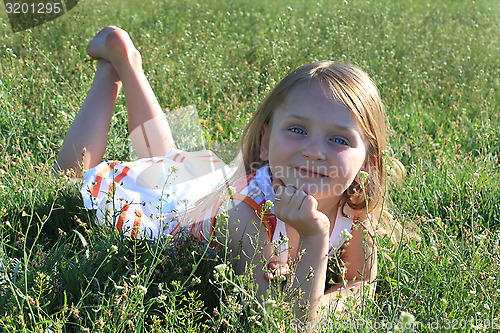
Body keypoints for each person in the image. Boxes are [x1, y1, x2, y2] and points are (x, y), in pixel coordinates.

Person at [55, 26, 399, 323]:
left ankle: (128, 64)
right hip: (174, 218)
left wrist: (321, 304)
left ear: (367, 162)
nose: (314, 150)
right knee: (77, 179)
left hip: (205, 189)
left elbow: (362, 284)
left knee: (167, 162)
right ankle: (108, 75)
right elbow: (282, 321)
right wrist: (314, 236)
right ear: (264, 142)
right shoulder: (246, 214)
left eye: (338, 139)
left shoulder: (355, 206)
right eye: (297, 130)